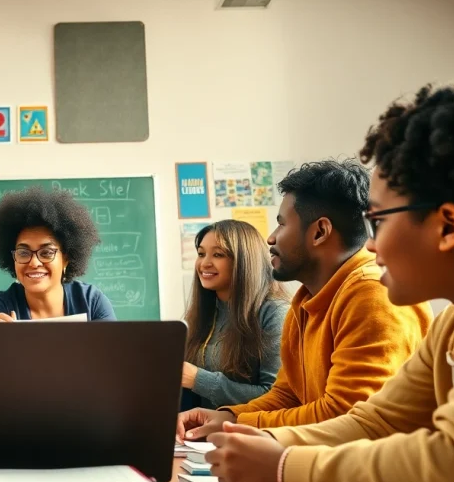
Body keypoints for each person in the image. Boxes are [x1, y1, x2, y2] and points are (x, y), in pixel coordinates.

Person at [198, 50, 454, 482]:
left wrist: (286, 467)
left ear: (448, 225)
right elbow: (377, 420)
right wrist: (264, 439)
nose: (371, 245)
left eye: (379, 221)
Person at [178, 160, 432, 439]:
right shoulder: (307, 300)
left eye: (282, 224)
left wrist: (244, 425)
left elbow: (346, 417)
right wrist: (229, 416)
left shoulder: (371, 294)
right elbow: (288, 395)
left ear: (319, 232)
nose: (271, 238)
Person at [179, 220, 289, 411]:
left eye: (218, 254)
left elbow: (275, 397)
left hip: (252, 433)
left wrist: (198, 379)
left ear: (245, 261)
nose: (205, 263)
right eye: (201, 254)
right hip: (201, 434)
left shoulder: (274, 313)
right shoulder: (204, 313)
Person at [0, 186, 115, 321]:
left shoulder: (92, 303)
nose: (34, 263)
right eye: (23, 253)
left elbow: (113, 343)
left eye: (46, 253)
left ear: (66, 258)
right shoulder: (1, 307)